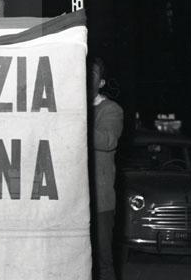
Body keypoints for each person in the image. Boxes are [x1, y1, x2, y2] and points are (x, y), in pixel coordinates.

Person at [88, 55, 124, 280]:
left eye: (92, 74)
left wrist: (77, 121)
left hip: (100, 202)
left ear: (101, 82)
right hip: (73, 201)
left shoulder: (111, 109)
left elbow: (108, 140)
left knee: (102, 261)